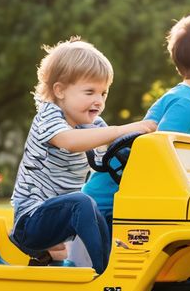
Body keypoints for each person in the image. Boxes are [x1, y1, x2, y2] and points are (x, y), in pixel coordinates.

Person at [83, 13, 190, 226]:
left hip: (138, 199)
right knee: (93, 258)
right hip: (108, 201)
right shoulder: (184, 104)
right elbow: (158, 153)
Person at [9, 38, 156, 274]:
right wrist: (124, 129)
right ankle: (104, 273)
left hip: (63, 220)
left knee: (110, 205)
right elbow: (69, 142)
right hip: (31, 220)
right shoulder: (48, 116)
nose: (98, 100)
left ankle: (129, 265)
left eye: (103, 93)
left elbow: (114, 149)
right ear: (60, 91)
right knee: (83, 202)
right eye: (89, 92)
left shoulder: (93, 123)